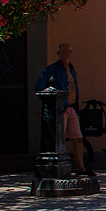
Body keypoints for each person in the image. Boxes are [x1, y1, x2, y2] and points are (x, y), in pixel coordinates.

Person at [33, 43, 87, 175]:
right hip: (59, 109)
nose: (65, 53)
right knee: (58, 138)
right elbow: (39, 86)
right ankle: (57, 167)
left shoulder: (71, 68)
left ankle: (81, 168)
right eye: (62, 51)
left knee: (78, 138)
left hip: (72, 107)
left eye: (67, 51)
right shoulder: (53, 69)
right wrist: (54, 99)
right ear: (58, 54)